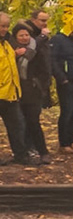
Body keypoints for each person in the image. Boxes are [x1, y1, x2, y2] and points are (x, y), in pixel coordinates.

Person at [0, 26, 34, 166]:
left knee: (17, 126)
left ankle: (21, 156)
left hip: (10, 93)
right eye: (2, 26)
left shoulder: (6, 43)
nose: (5, 29)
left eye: (7, 26)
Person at [16, 19, 50, 159]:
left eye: (26, 35)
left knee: (33, 122)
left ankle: (43, 151)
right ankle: (23, 152)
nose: (24, 38)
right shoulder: (11, 51)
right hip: (17, 91)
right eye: (21, 35)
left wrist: (40, 86)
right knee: (19, 123)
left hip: (33, 91)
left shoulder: (36, 50)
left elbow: (45, 71)